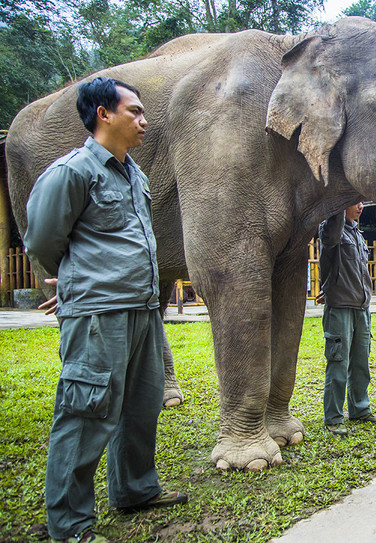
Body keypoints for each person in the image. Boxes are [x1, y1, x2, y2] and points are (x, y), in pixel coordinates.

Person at [24, 77, 186, 543]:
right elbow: (42, 241)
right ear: (103, 114)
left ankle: (135, 489)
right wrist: (79, 282)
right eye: (134, 111)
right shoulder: (72, 171)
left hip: (140, 307)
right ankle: (71, 524)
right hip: (98, 315)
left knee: (140, 406)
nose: (143, 120)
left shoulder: (132, 171)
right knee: (86, 412)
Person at [317, 202, 376, 435]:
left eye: (362, 201)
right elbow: (329, 245)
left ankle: (360, 408)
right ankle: (333, 417)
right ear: (342, 204)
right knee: (338, 362)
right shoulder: (331, 230)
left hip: (361, 307)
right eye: (354, 201)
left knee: (360, 361)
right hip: (341, 307)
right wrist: (338, 198)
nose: (361, 206)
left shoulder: (357, 234)